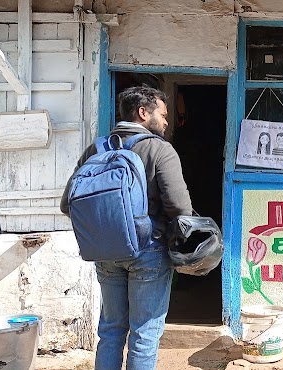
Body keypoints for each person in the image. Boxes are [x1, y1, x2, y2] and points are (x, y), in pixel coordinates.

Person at [60, 86, 193, 370]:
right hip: (149, 251)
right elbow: (180, 209)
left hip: (106, 253)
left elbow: (67, 204)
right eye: (163, 114)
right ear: (144, 113)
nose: (167, 121)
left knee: (110, 331)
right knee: (144, 334)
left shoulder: (96, 149)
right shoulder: (159, 149)